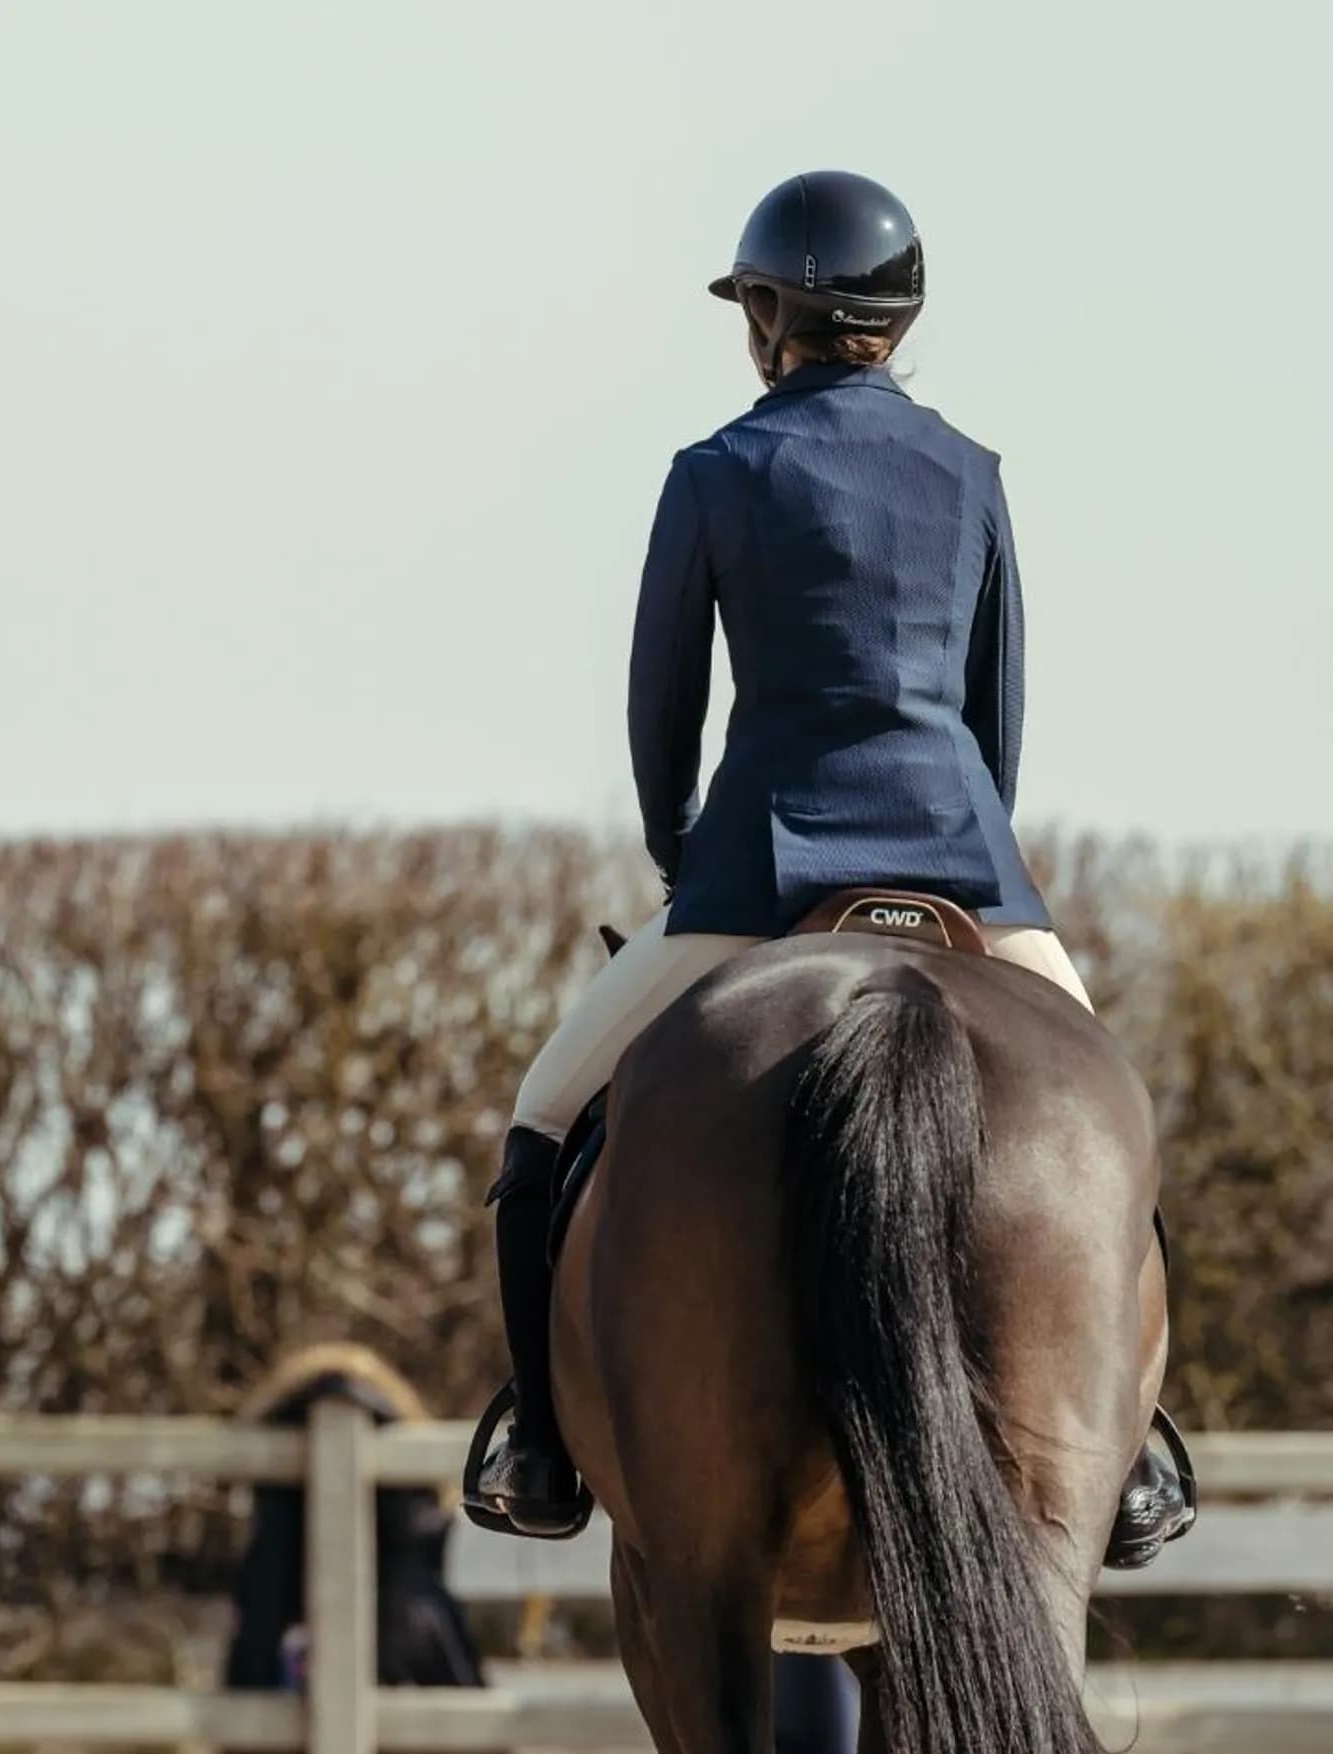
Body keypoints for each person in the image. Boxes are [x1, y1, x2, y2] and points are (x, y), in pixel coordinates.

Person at [464, 172, 1193, 1565]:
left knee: (542, 1117)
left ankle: (538, 1441)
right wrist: (971, 865)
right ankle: (1145, 1445)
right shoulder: (970, 472)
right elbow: (998, 713)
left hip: (759, 869)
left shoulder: (716, 470)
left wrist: (692, 859)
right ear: (894, 316)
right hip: (968, 869)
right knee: (1111, 1127)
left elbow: (659, 704)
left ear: (766, 317)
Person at [224, 1344, 485, 1692]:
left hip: (286, 1649)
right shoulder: (408, 1453)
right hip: (407, 1655)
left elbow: (265, 1582)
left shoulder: (276, 1442)